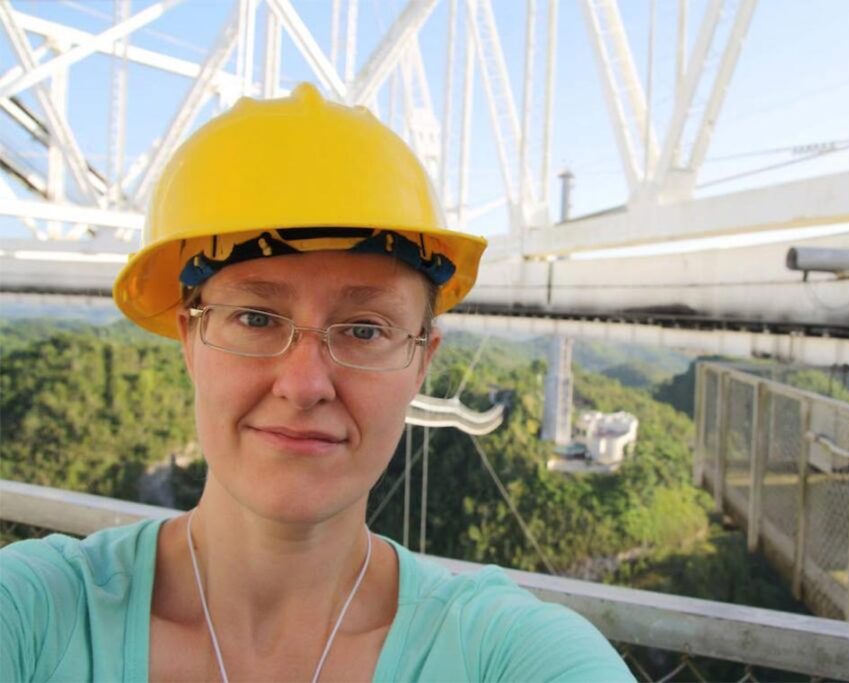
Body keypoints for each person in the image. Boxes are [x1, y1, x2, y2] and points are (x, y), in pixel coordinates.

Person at [0, 83, 633, 682]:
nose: (305, 385)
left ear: (421, 362)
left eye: (364, 329)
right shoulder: (36, 613)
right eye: (255, 318)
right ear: (189, 338)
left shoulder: (509, 656)